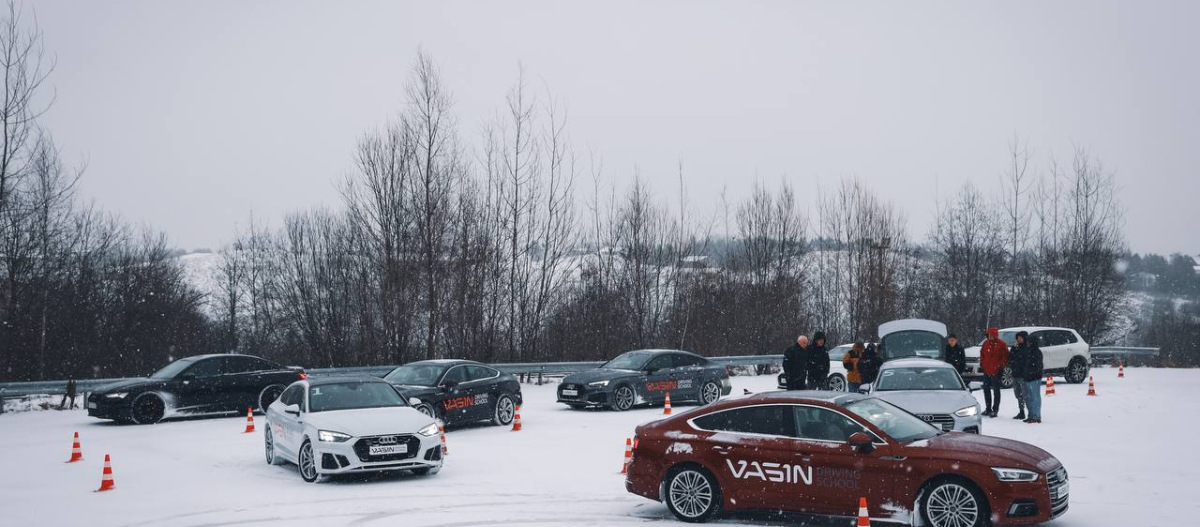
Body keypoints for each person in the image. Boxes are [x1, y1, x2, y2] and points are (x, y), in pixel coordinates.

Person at [1015, 330, 1044, 424]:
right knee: (1030, 397)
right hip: (1028, 378)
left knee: (1035, 397)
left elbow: (1037, 366)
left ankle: (1036, 416)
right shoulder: (1029, 351)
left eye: (1028, 341)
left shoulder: (1036, 352)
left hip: (1034, 378)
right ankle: (1031, 415)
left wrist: (1031, 374)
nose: (1027, 343)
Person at [979, 327, 1009, 418]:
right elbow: (982, 355)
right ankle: (988, 408)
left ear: (995, 335)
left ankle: (995, 409)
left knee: (996, 391)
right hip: (987, 370)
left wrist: (1000, 367)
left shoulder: (1002, 344)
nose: (990, 337)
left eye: (992, 335)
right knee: (986, 390)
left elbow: (1005, 357)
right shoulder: (985, 343)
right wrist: (982, 364)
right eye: (989, 335)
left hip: (996, 371)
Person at [1009, 335, 1029, 420]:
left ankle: (1031, 412)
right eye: (1018, 338)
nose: (1019, 339)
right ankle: (1021, 411)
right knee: (1018, 394)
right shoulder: (1015, 348)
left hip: (1023, 375)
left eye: (1021, 337)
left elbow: (1024, 360)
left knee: (1025, 394)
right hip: (1015, 374)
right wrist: (1014, 347)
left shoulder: (1026, 348)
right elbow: (1010, 357)